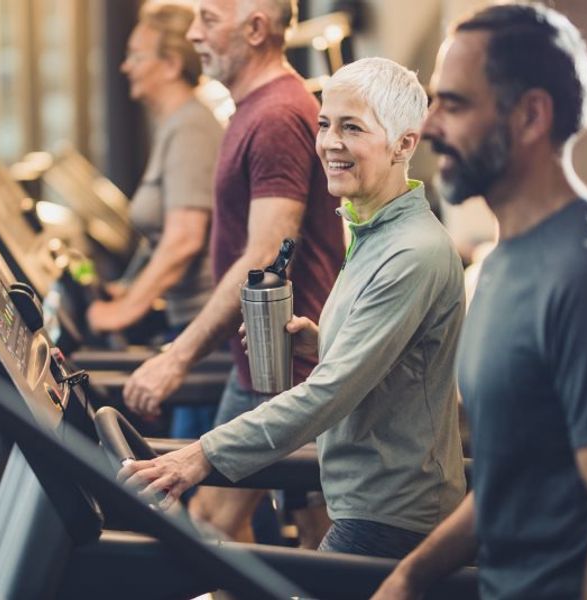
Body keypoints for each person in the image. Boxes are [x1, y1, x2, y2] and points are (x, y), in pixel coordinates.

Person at [374, 4, 587, 599]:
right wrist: (410, 576)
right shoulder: (502, 261)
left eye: (455, 104)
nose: (430, 125)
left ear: (531, 116)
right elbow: (509, 479)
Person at [121, 56, 468, 559]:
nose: (329, 143)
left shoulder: (411, 252)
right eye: (325, 124)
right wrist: (323, 340)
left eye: (352, 127)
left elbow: (331, 392)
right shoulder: (374, 232)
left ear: (405, 144)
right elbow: (395, 359)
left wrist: (201, 454)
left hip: (392, 517)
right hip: (362, 501)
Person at [121, 0, 345, 547]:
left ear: (255, 28)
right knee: (309, 530)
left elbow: (263, 258)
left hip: (283, 363)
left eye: (208, 20)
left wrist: (176, 358)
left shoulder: (274, 116)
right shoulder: (253, 108)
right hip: (270, 357)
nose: (194, 34)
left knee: (213, 524)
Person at [85, 2, 221, 439]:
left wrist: (125, 310)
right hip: (188, 326)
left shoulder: (191, 129)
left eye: (136, 55)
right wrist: (129, 282)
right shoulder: (175, 125)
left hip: (205, 338)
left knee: (200, 497)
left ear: (169, 64)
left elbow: (184, 238)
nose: (126, 66)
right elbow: (161, 232)